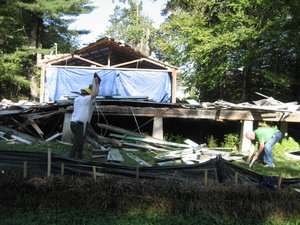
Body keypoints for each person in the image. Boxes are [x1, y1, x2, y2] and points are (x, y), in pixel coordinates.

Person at [70, 73, 101, 159]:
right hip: (78, 124)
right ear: (87, 94)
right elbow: (95, 94)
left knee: (81, 140)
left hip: (74, 123)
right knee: (78, 141)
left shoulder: (77, 99)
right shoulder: (85, 100)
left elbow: (92, 97)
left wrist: (93, 86)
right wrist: (97, 84)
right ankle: (71, 157)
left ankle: (79, 155)